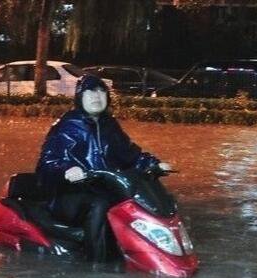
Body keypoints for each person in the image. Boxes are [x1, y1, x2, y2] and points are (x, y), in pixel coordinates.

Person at [36, 75, 171, 262]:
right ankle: (97, 263)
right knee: (99, 205)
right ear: (80, 97)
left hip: (106, 187)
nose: (96, 97)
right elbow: (48, 162)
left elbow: (130, 154)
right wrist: (67, 170)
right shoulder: (68, 125)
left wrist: (152, 164)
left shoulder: (110, 125)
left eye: (101, 92)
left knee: (135, 201)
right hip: (69, 193)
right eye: (90, 92)